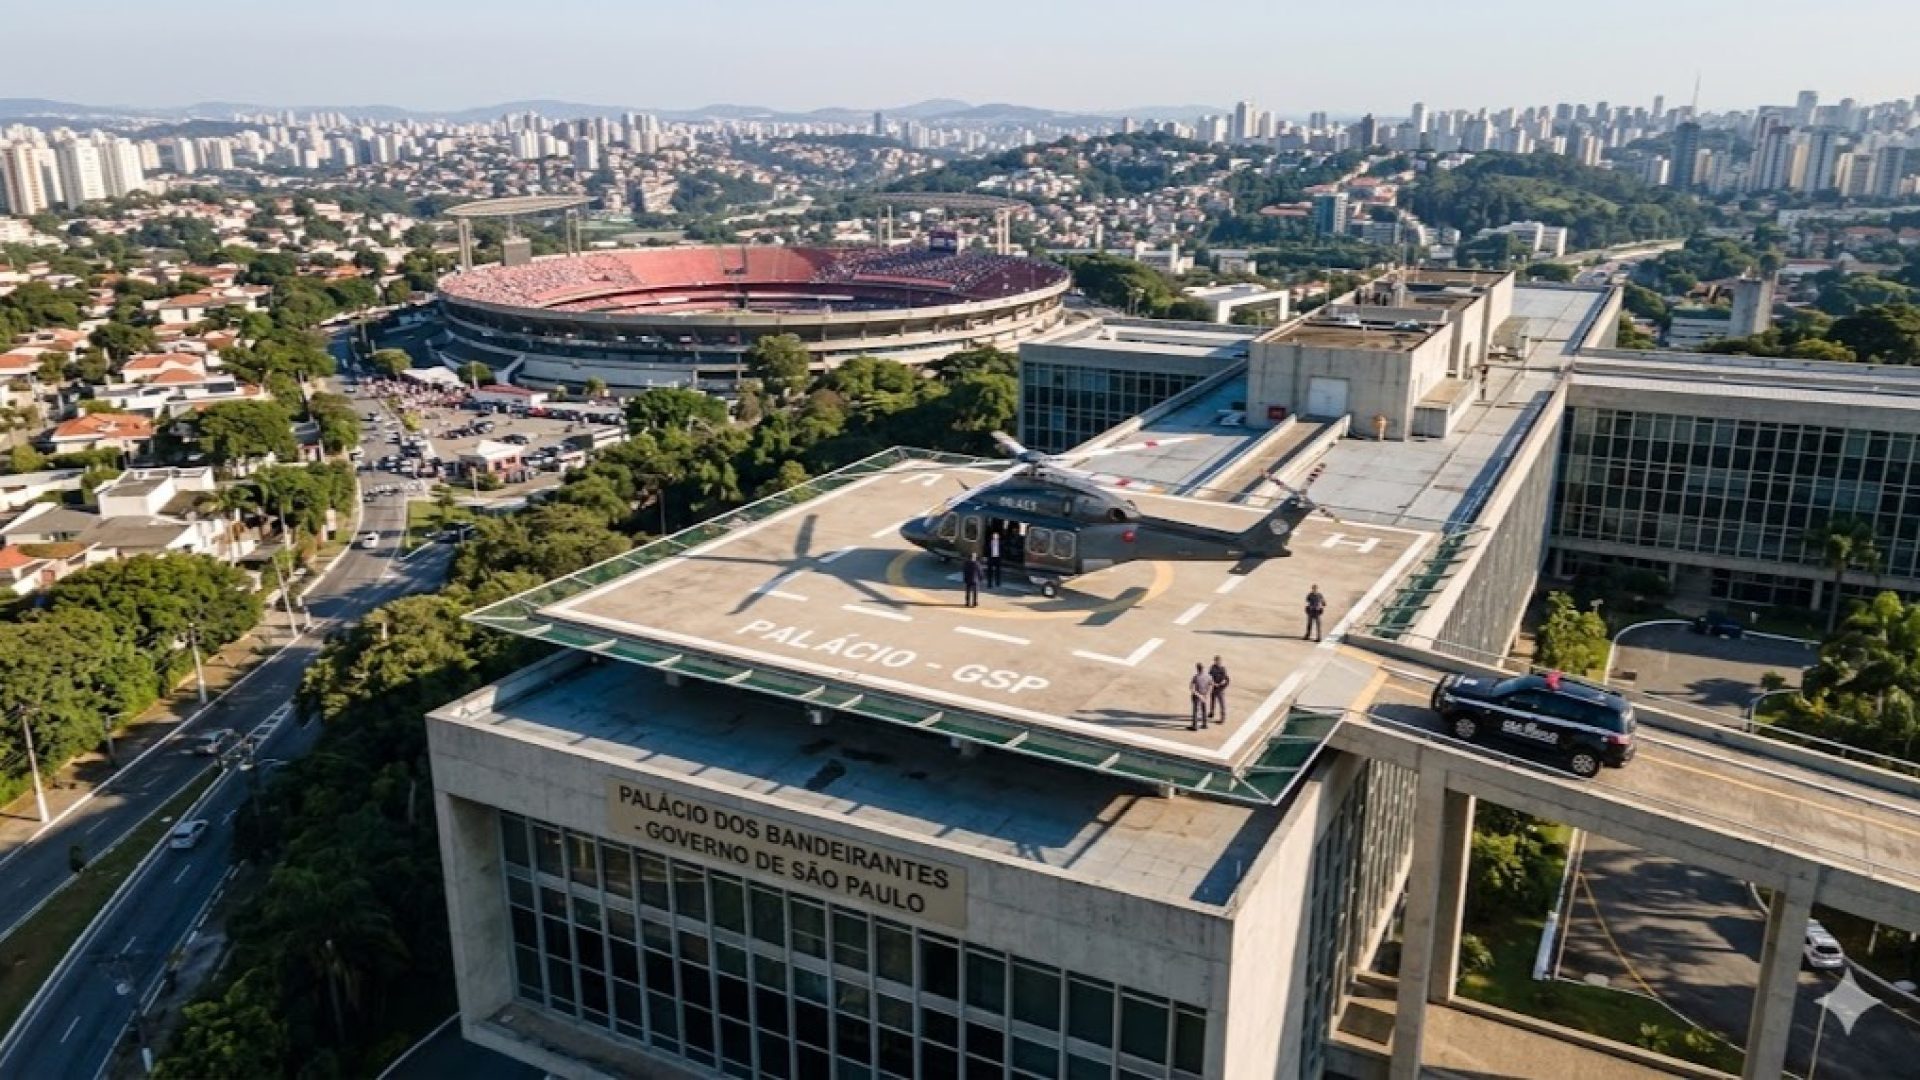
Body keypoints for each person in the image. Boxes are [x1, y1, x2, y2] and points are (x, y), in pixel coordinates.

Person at [1188, 662, 1214, 731]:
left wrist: (1200, 696)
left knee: (1196, 711)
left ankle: (1195, 726)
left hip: (1197, 697)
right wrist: (1206, 695)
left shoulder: (1196, 677)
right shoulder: (1209, 676)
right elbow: (1211, 686)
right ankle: (1205, 724)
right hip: (1205, 695)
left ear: (1197, 669)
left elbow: (1192, 689)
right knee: (1204, 710)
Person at [1207, 656, 1230, 722]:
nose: (1217, 662)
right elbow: (1209, 676)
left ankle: (1223, 718)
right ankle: (1212, 712)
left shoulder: (1223, 669)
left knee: (1222, 703)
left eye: (1218, 661)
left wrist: (1221, 684)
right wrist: (1213, 683)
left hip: (1220, 689)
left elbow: (1225, 679)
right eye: (1216, 661)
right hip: (1214, 688)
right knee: (1212, 701)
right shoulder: (1212, 668)